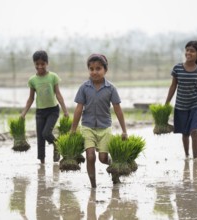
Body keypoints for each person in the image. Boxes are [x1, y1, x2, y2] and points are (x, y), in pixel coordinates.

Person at [70, 53, 128, 188]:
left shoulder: (111, 88)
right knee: (90, 156)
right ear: (88, 70)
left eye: (98, 68)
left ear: (105, 70)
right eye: (91, 69)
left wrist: (124, 130)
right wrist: (73, 129)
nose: (94, 72)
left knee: (103, 158)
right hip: (87, 127)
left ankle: (115, 168)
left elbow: (118, 109)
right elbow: (78, 109)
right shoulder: (84, 88)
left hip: (105, 127)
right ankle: (93, 185)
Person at [165, 40, 197, 159]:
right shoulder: (177, 68)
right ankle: (187, 156)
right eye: (187, 50)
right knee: (185, 133)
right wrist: (166, 103)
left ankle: (195, 159)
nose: (189, 53)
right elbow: (173, 86)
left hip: (196, 105)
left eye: (192, 51)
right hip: (181, 106)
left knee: (194, 131)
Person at [21, 50, 69, 164]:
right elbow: (31, 99)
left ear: (47, 63)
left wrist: (65, 111)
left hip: (53, 110)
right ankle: (42, 163)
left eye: (42, 64)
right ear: (34, 64)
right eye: (37, 64)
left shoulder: (53, 77)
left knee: (46, 133)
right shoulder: (32, 80)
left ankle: (57, 144)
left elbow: (58, 94)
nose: (40, 66)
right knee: (40, 138)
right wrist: (23, 113)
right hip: (40, 112)